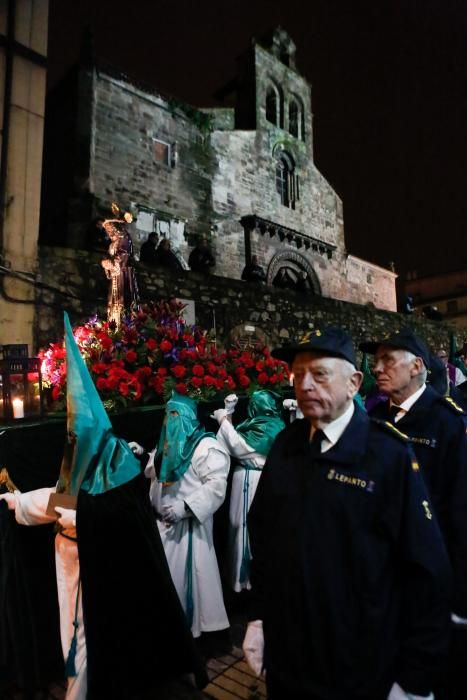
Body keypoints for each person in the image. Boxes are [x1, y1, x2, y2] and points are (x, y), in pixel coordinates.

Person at [0, 313, 207, 700]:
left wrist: (81, 520)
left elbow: (123, 520)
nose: (73, 440)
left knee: (92, 635)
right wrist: (18, 503)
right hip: (70, 565)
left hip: (103, 571)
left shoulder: (121, 466)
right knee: (71, 634)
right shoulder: (77, 457)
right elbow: (58, 495)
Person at [242, 326, 451, 700]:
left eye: (319, 374)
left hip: (361, 666)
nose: (304, 385)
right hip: (290, 659)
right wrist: (259, 617)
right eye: (298, 374)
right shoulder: (286, 445)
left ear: (354, 383)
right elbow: (264, 537)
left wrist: (413, 678)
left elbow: (426, 571)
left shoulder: (387, 456)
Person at [360, 327, 467, 700]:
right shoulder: (374, 418)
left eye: (388, 360)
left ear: (417, 366)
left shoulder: (448, 422)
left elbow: (461, 513)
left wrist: (459, 597)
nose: (377, 368)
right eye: (375, 361)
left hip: (429, 578)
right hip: (383, 576)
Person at [139, 392, 230, 641]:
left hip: (188, 530)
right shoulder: (167, 442)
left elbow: (215, 487)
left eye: (176, 413)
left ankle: (192, 638)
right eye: (167, 413)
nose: (170, 419)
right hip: (161, 527)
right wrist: (142, 455)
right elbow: (154, 470)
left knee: (189, 583)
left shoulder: (206, 447)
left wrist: (185, 508)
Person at [212, 391, 285, 592]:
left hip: (256, 480)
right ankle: (238, 580)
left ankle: (252, 582)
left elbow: (239, 447)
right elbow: (226, 443)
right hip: (242, 479)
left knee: (251, 528)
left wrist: (224, 421)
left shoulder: (272, 425)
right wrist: (228, 414)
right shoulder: (249, 425)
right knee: (237, 528)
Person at [100, 209, 140, 327]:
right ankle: (114, 324)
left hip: (123, 274)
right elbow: (109, 256)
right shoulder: (112, 244)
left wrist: (112, 262)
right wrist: (106, 263)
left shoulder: (124, 239)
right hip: (115, 276)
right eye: (107, 231)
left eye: (111, 229)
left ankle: (125, 323)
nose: (109, 233)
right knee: (113, 302)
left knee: (124, 301)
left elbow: (123, 254)